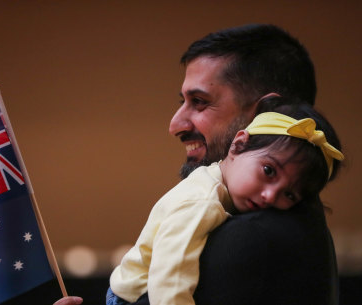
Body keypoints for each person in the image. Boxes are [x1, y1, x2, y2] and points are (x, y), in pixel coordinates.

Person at [55, 24, 339, 305]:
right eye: (184, 101)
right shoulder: (279, 219)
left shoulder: (254, 238)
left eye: (200, 102)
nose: (175, 125)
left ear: (266, 113)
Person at [106, 100, 343, 305]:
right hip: (133, 296)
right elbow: (170, 278)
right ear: (238, 145)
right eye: (269, 171)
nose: (271, 196)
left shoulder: (219, 182)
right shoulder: (201, 202)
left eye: (289, 194)